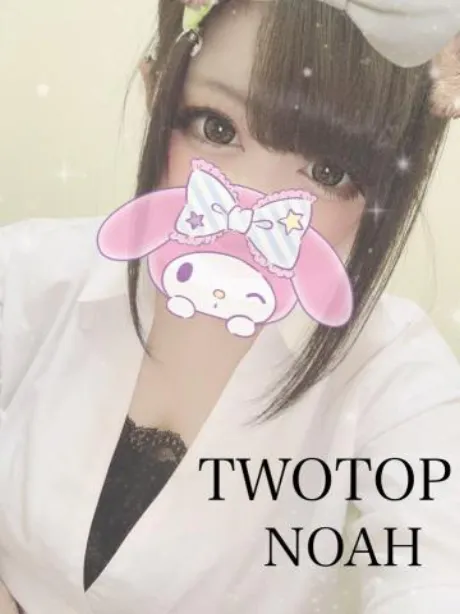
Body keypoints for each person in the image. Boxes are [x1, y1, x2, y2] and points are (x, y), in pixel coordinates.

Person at [1, 0, 460, 612]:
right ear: (157, 89)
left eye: (329, 171)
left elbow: (436, 574)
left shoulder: (393, 372)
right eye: (217, 129)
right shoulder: (31, 271)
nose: (253, 200)